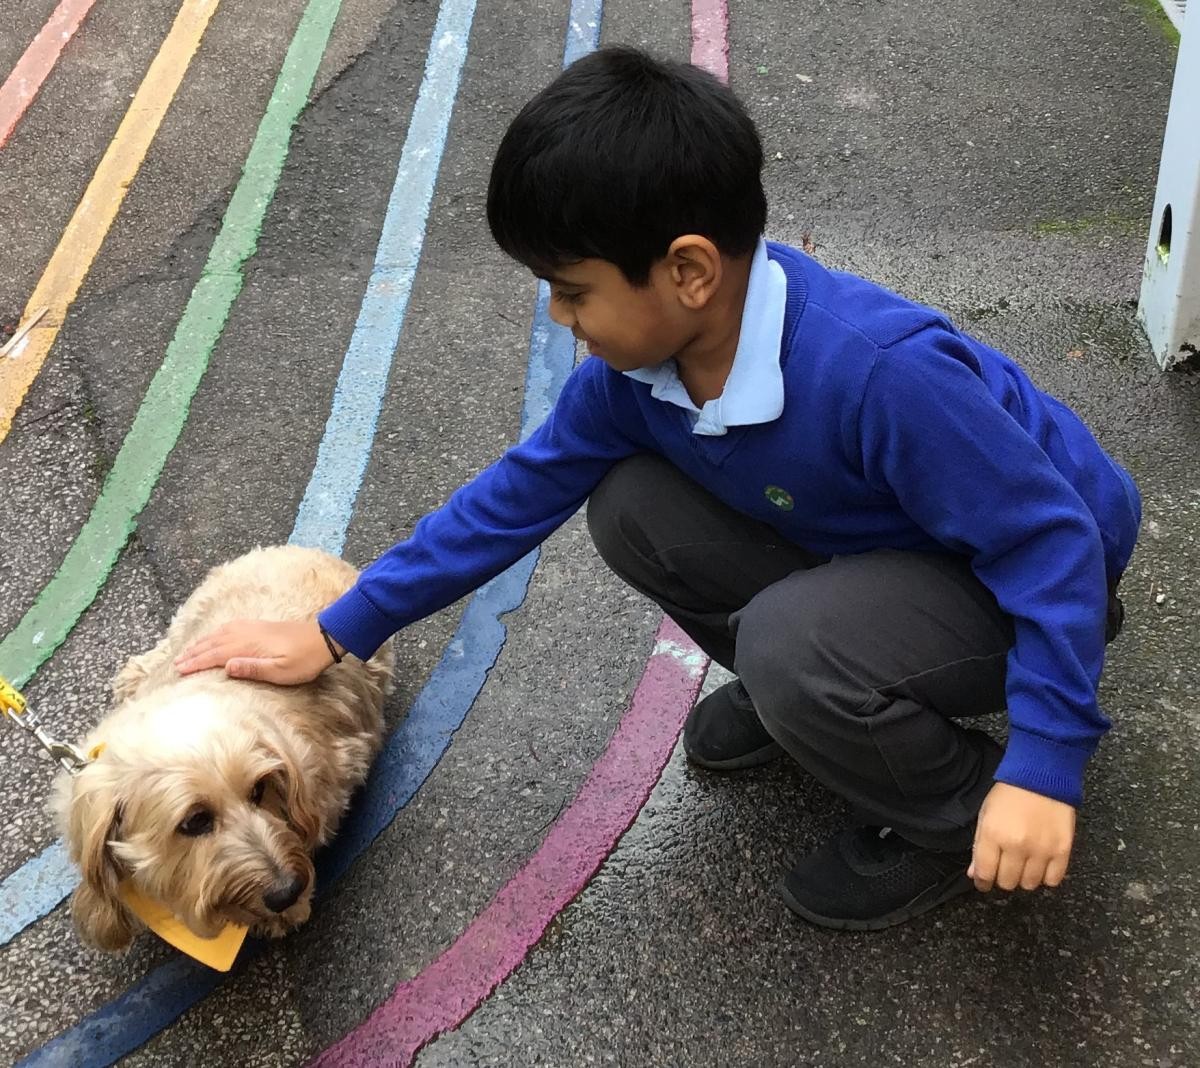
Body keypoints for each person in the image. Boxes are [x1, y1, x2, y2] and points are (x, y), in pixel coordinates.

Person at [176, 46, 1140, 930]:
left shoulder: (879, 374)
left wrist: (1043, 766)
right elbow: (517, 495)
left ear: (687, 272)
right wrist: (340, 625)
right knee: (632, 510)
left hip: (1034, 580)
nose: (558, 317)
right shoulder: (639, 378)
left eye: (573, 289)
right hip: (883, 544)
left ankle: (957, 806)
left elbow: (1050, 543)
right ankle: (818, 697)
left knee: (791, 644)